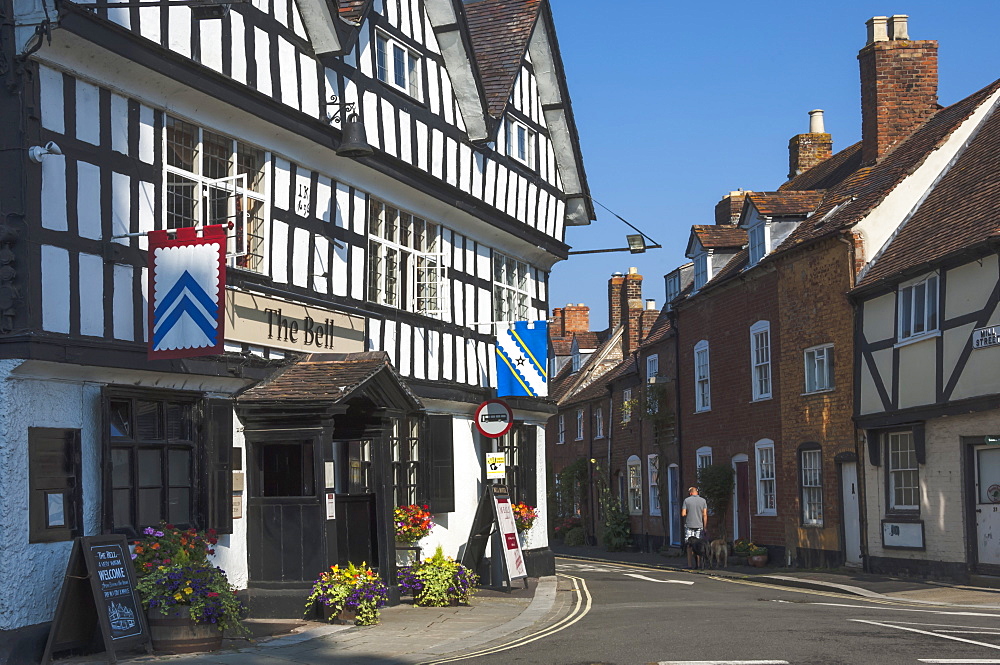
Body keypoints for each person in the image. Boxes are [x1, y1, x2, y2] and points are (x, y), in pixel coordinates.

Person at [681, 486, 708, 569]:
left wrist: (689, 512)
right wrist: (705, 527)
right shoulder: (703, 501)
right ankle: (699, 564)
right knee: (699, 546)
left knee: (689, 546)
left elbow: (683, 514)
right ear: (697, 492)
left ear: (690, 493)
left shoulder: (686, 500)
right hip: (699, 526)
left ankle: (690, 564)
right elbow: (705, 515)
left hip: (689, 525)